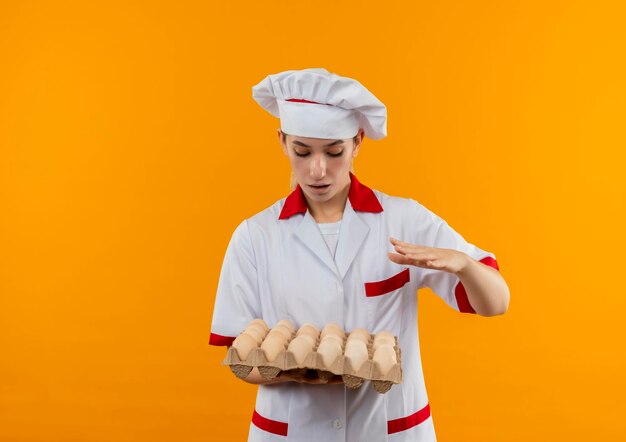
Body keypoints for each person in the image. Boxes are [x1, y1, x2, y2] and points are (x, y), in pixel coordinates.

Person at [209, 68, 510, 441]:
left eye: (334, 152)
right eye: (302, 151)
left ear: (357, 143)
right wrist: (305, 367)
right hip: (294, 431)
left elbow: (496, 303)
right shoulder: (255, 236)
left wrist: (464, 265)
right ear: (283, 142)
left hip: (390, 428)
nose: (318, 170)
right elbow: (239, 357)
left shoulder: (404, 219)